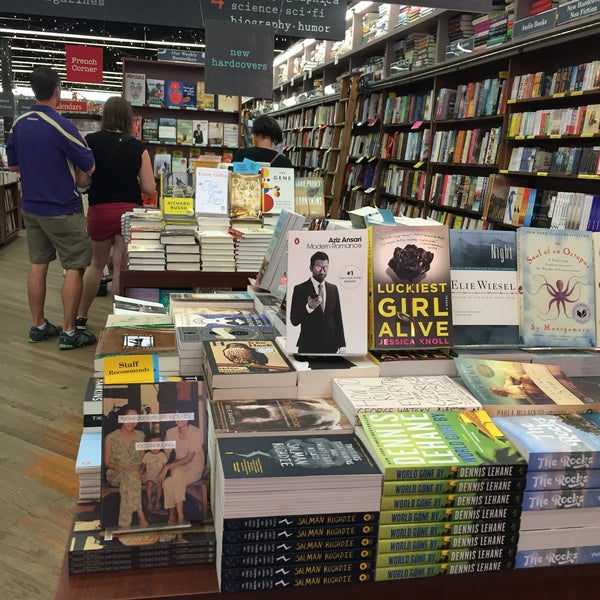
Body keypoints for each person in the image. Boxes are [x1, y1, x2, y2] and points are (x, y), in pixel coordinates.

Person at [6, 66, 97, 349]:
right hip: (62, 207)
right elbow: (89, 165)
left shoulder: (19, 124)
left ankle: (39, 325)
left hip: (31, 206)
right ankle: (69, 331)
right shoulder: (61, 124)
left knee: (38, 264)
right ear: (57, 90)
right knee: (75, 266)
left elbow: (13, 164)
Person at [75, 96, 156, 330]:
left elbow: (81, 180)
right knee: (121, 266)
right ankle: (121, 319)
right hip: (129, 211)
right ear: (128, 118)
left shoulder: (89, 142)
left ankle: (81, 317)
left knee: (96, 265)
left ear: (105, 116)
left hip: (100, 208)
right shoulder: (137, 147)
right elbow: (149, 188)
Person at [289, 250, 346, 354]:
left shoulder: (333, 289)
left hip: (331, 346)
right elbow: (294, 320)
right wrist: (309, 307)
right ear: (311, 268)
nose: (322, 271)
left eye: (325, 268)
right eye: (318, 268)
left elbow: (338, 318)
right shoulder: (300, 289)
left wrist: (342, 345)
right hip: (308, 346)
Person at [158, 405, 205, 525]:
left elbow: (189, 458)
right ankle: (178, 516)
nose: (180, 419)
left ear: (189, 417)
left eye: (184, 416)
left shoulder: (195, 432)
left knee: (173, 480)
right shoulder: (170, 432)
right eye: (177, 416)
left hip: (195, 466)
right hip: (178, 466)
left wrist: (167, 467)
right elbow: (166, 454)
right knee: (169, 481)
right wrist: (161, 470)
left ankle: (175, 516)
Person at [104, 405, 148, 528]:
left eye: (135, 419)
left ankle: (124, 526)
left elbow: (143, 459)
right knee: (131, 477)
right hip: (115, 473)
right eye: (129, 418)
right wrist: (128, 469)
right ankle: (141, 516)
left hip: (135, 473)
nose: (132, 422)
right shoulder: (111, 437)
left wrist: (142, 469)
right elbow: (107, 463)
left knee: (129, 482)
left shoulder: (140, 435)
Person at [140, 433, 168, 512]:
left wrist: (162, 474)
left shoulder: (162, 455)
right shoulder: (147, 455)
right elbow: (143, 465)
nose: (155, 447)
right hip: (149, 475)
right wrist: (141, 470)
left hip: (159, 475)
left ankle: (157, 502)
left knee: (159, 485)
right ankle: (149, 502)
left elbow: (165, 466)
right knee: (149, 484)